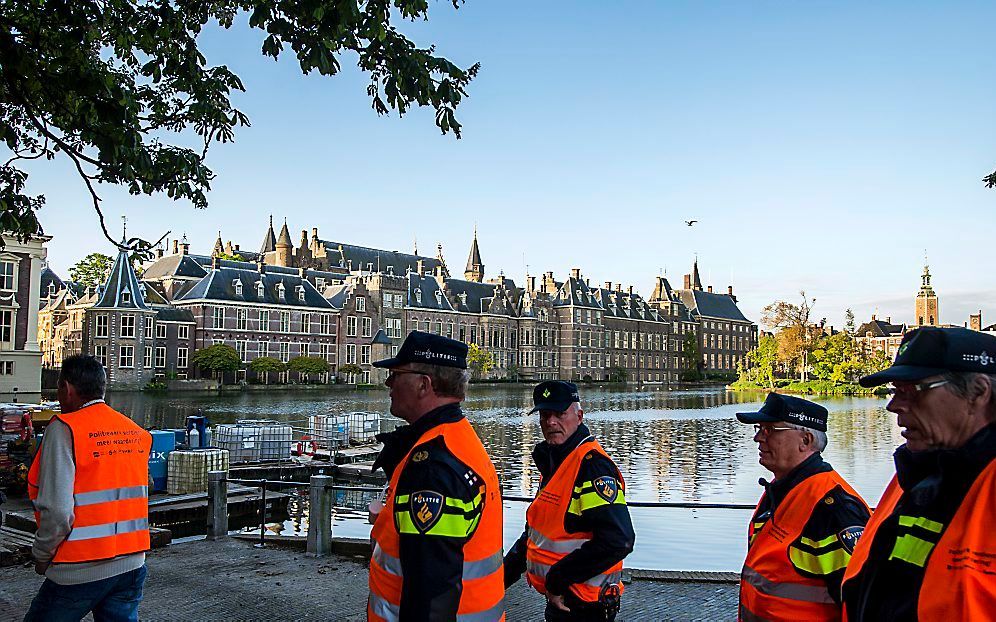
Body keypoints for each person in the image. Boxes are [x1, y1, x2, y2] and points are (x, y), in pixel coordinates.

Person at [841, 326, 996, 620]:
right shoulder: (912, 477)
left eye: (913, 391)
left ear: (978, 392)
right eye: (894, 391)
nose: (893, 405)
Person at [367, 331, 505, 622]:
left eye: (395, 374)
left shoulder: (433, 466)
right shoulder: (456, 438)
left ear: (422, 385)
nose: (388, 383)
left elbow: (432, 596)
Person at [24, 354, 152, 622]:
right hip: (131, 563)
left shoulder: (64, 429)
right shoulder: (135, 432)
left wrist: (41, 554)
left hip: (78, 569)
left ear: (67, 388)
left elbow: (57, 512)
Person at [504, 381, 635, 622]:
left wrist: (557, 580)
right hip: (564, 600)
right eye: (545, 414)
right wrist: (499, 579)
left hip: (585, 606)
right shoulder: (557, 463)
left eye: (560, 413)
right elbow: (536, 534)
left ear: (579, 416)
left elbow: (619, 540)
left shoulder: (591, 466)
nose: (551, 422)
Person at [736, 393, 869, 622]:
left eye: (770, 429)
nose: (758, 437)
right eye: (759, 428)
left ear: (805, 440)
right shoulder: (780, 490)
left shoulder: (834, 510)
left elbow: (864, 604)